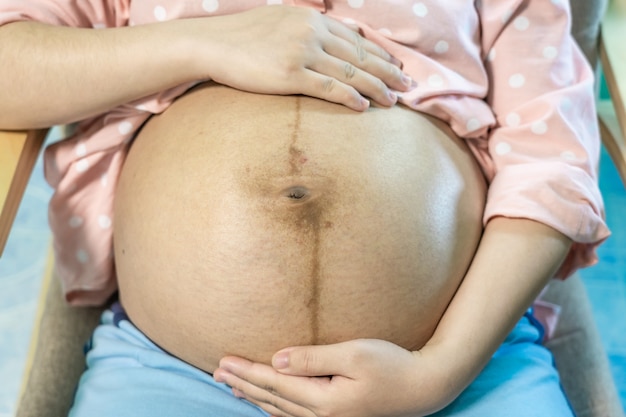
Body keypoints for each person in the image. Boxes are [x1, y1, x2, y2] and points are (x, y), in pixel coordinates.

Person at [0, 1, 610, 416]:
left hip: (463, 370)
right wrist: (197, 43)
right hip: (177, 369)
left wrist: (436, 372)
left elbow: (550, 161)